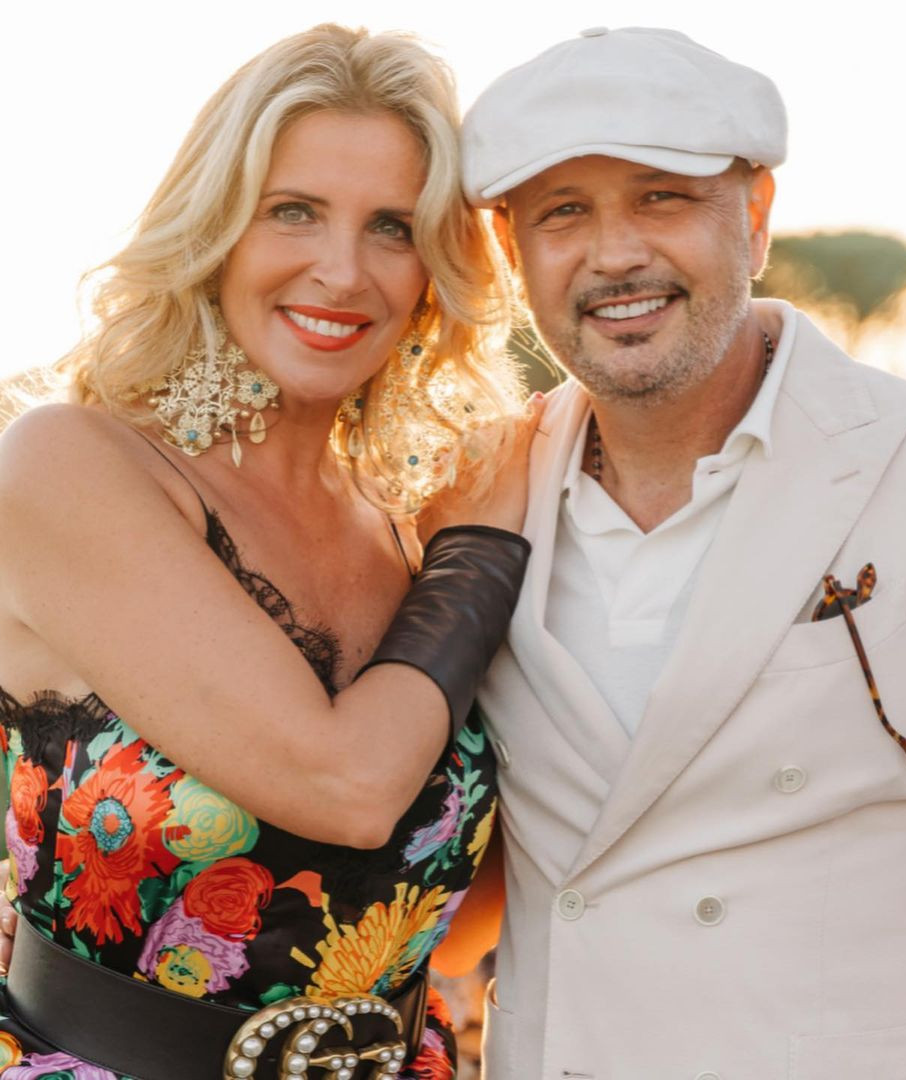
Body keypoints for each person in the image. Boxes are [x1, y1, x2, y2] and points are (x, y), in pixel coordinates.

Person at [460, 27, 906, 1079]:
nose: (615, 254)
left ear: (754, 217)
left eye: (661, 196)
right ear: (512, 255)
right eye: (563, 211)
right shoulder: (475, 491)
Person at [0, 24, 540, 1079]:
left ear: (434, 270)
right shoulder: (72, 465)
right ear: (214, 230)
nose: (342, 271)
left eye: (393, 227)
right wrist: (481, 553)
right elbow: (348, 788)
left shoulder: (410, 521)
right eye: (293, 210)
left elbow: (443, 914)